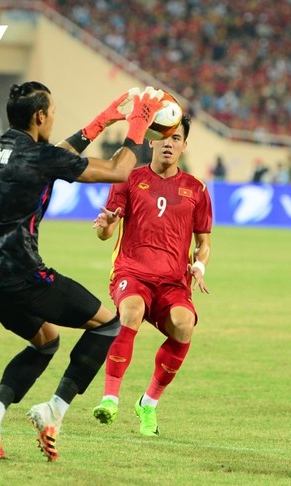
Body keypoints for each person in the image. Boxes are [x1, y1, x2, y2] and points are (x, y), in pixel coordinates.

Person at [0, 81, 166, 461]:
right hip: (22, 277)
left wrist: (102, 122)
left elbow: (52, 157)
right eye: (53, 112)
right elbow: (117, 170)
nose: (54, 118)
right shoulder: (39, 156)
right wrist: (137, 125)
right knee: (108, 324)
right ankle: (52, 412)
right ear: (40, 116)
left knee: (46, 341)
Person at [91, 114, 213, 437]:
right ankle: (110, 399)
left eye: (176, 139)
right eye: (164, 137)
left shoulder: (196, 190)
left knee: (184, 326)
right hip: (132, 272)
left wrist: (199, 266)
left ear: (185, 146)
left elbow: (204, 242)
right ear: (151, 140)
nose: (169, 144)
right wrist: (104, 228)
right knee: (131, 311)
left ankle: (148, 403)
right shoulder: (128, 179)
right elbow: (107, 230)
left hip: (173, 282)